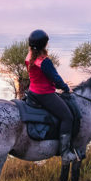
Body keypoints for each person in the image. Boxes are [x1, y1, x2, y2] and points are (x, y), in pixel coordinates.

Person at [25, 29, 76, 158]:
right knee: (67, 117)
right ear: (45, 44)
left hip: (32, 92)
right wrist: (66, 88)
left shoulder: (29, 55)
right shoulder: (44, 61)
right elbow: (55, 78)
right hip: (44, 94)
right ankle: (65, 152)